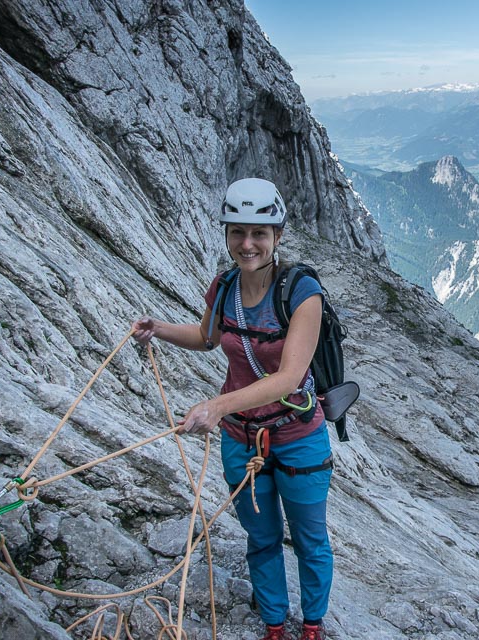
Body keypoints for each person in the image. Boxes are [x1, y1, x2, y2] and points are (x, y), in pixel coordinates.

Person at [132, 178, 333, 640]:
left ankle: (314, 624)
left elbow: (287, 376)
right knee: (261, 538)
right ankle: (274, 624)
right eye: (237, 232)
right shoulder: (223, 287)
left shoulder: (302, 292)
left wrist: (217, 406)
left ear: (277, 236)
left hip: (297, 434)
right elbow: (206, 338)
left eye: (259, 233)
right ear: (226, 234)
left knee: (309, 540)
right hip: (242, 439)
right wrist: (158, 328)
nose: (247, 244)